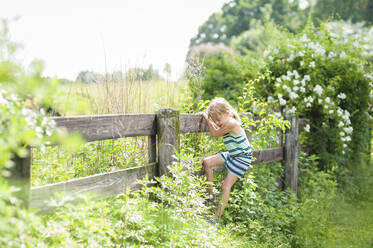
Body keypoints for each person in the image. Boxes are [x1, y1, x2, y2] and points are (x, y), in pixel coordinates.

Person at [201, 97, 253, 225]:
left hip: (242, 157)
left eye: (218, 119)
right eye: (215, 120)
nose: (217, 123)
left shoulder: (231, 123)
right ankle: (211, 194)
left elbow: (214, 134)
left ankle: (215, 219)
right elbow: (217, 129)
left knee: (225, 186)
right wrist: (212, 120)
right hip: (233, 154)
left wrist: (206, 118)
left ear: (227, 113)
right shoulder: (225, 123)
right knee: (207, 162)